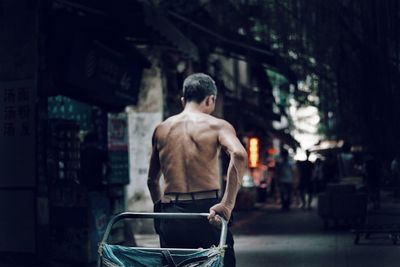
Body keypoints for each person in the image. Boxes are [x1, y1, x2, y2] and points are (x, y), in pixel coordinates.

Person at [147, 73, 248, 267]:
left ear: (183, 100)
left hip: (171, 213)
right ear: (211, 99)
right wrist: (227, 204)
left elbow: (152, 181)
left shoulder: (161, 129)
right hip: (208, 212)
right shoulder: (217, 125)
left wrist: (161, 212)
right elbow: (239, 154)